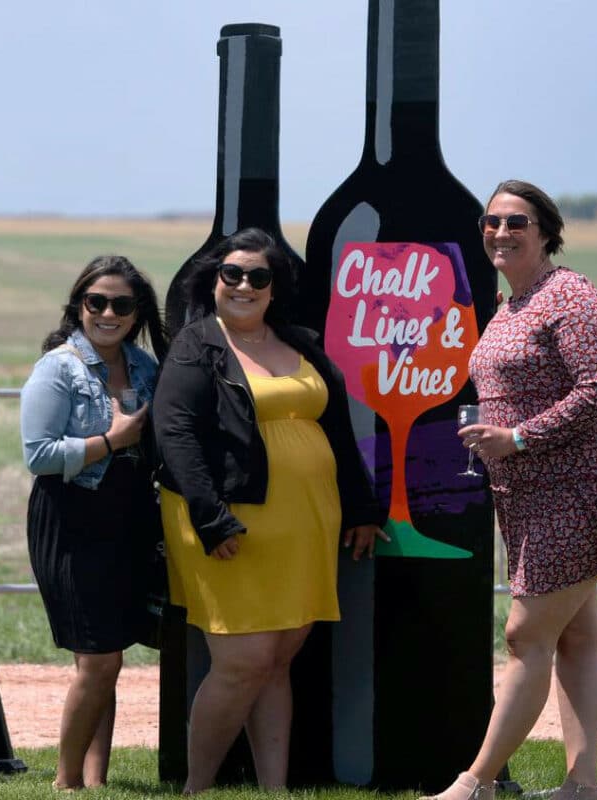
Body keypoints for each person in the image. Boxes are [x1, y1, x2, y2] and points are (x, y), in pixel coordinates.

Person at [422, 181, 597, 800]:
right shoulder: (511, 304)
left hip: (576, 490)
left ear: (546, 231)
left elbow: (595, 392)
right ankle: (582, 786)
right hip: (530, 496)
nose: (500, 232)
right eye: (491, 221)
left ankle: (473, 784)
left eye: (516, 221)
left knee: (525, 637)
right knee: (576, 638)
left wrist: (517, 438)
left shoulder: (570, 294)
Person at [153, 227, 387, 794]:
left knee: (277, 659)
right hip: (228, 524)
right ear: (212, 282)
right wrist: (210, 518)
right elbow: (174, 432)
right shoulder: (197, 345)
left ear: (275, 288)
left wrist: (361, 507)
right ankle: (196, 789)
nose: (244, 285)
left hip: (306, 524)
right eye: (231, 273)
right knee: (242, 661)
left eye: (258, 276)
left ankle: (274, 790)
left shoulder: (300, 342)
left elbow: (335, 431)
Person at [20, 254, 169, 790]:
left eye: (122, 304)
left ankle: (97, 781)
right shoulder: (58, 367)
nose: (108, 312)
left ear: (137, 312)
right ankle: (66, 782)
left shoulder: (146, 367)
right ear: (79, 305)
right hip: (72, 517)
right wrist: (112, 440)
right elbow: (38, 454)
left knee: (109, 656)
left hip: (127, 519)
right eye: (96, 301)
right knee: (99, 659)